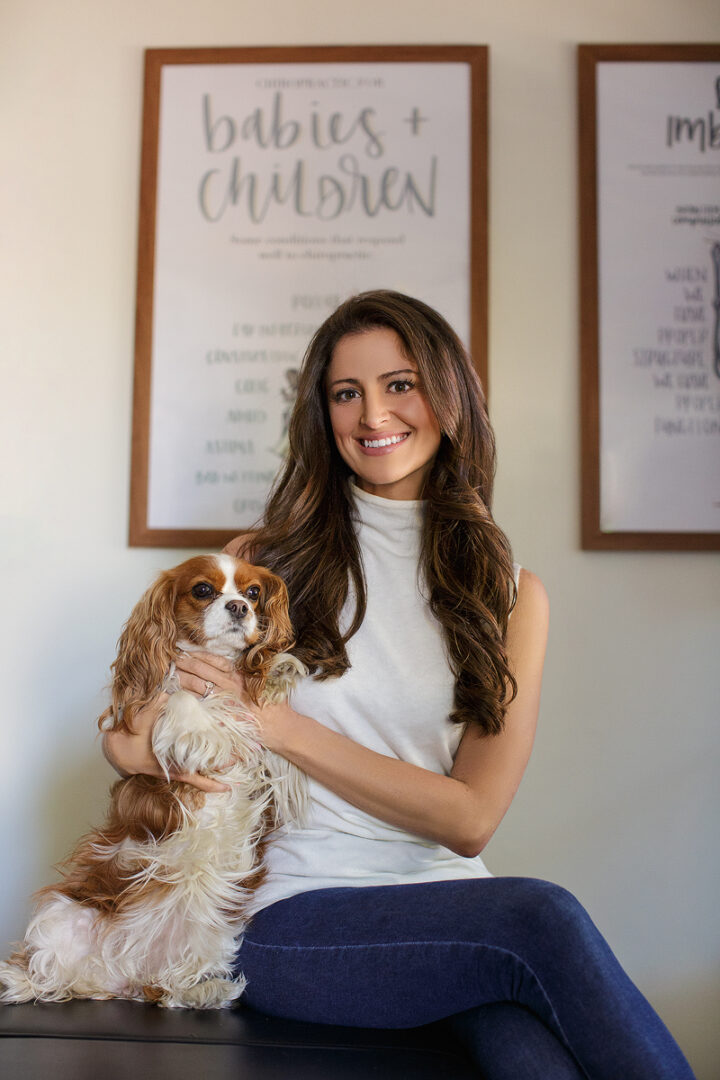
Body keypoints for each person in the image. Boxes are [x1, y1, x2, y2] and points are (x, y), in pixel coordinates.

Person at [105, 291, 695, 1079]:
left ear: (449, 396)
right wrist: (140, 750)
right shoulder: (261, 564)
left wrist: (279, 726)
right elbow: (134, 729)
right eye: (346, 393)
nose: (373, 413)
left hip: (454, 911)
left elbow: (471, 820)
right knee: (541, 914)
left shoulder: (512, 595)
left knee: (534, 1059)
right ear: (323, 414)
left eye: (400, 384)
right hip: (294, 915)